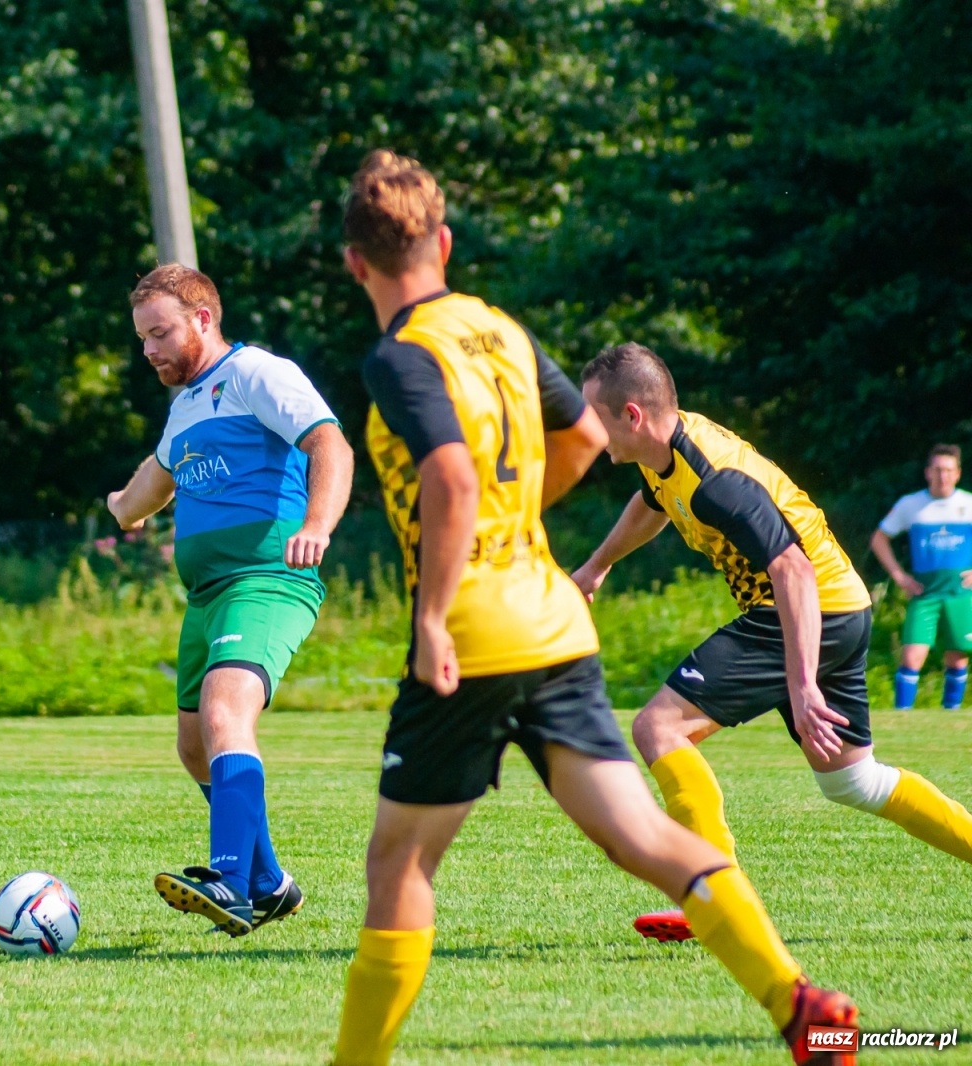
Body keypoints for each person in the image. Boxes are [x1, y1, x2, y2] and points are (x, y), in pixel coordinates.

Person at [331, 150, 855, 1066]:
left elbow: (452, 475)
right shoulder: (497, 329)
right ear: (445, 242)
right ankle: (793, 1001)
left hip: (475, 636)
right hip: (553, 624)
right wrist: (516, 524)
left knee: (399, 867)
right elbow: (579, 436)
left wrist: (430, 617)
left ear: (354, 262)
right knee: (642, 835)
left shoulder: (398, 354)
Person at [571, 343, 972, 945]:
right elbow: (655, 501)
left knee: (659, 728)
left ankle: (712, 893)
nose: (586, 432)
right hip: (839, 609)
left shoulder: (717, 479)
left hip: (810, 610)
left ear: (631, 415)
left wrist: (802, 682)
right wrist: (596, 568)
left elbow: (794, 570)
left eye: (592, 417)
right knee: (852, 782)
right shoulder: (667, 454)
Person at [106, 263, 354, 936]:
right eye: (143, 339)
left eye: (160, 333)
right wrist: (123, 507)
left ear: (203, 320)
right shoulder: (185, 405)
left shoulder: (257, 375)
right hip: (207, 595)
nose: (151, 350)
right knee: (194, 746)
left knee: (224, 711)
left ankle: (230, 882)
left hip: (267, 578)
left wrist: (317, 525)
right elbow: (156, 480)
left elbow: (330, 442)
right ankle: (269, 883)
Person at [869, 444, 972, 711]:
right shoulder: (911, 505)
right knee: (913, 655)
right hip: (925, 593)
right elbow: (880, 539)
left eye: (948, 470)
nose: (943, 475)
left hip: (960, 593)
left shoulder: (967, 503)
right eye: (937, 469)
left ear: (958, 473)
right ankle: (903, 714)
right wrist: (899, 576)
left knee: (958, 657)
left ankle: (952, 713)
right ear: (928, 472)